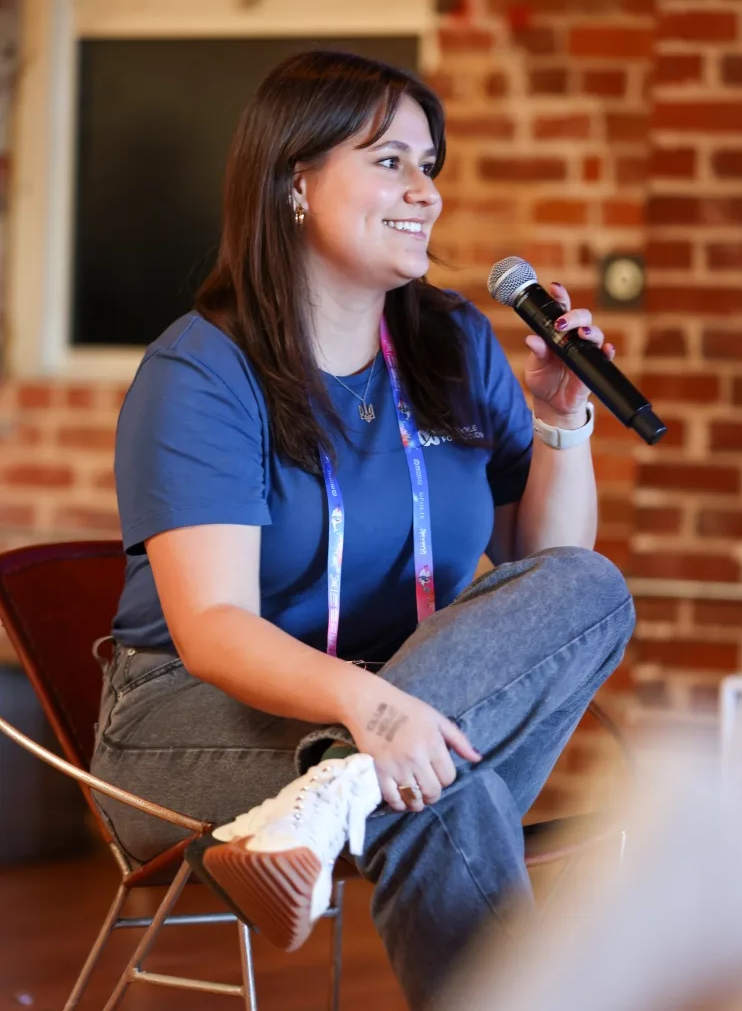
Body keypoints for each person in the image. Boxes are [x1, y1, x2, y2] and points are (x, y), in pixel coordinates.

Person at [90, 49, 635, 1010]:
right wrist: (375, 714)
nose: (424, 193)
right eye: (390, 161)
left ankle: (332, 799)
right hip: (193, 718)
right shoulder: (204, 372)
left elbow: (545, 572)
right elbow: (213, 627)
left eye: (430, 165)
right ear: (294, 181)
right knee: (441, 787)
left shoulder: (453, 342)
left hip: (401, 698)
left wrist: (561, 420)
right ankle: (354, 779)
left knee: (594, 590)